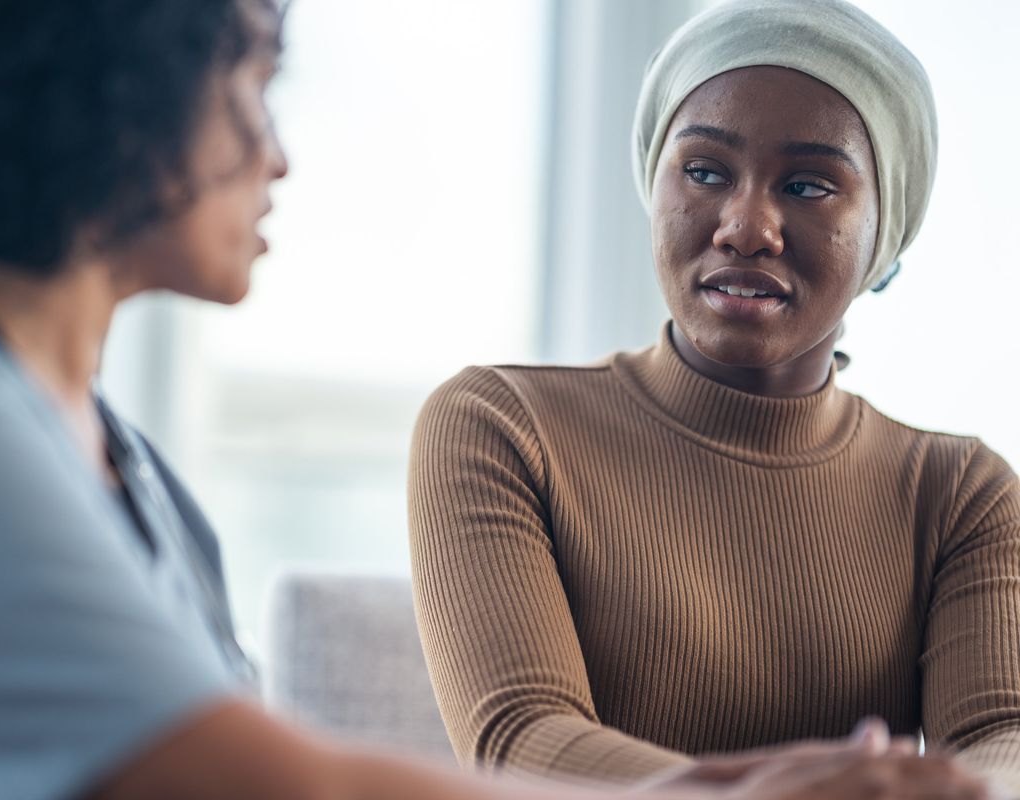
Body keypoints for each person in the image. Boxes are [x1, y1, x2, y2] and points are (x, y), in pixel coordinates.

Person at [0, 1, 978, 799]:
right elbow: (282, 787)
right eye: (249, 81)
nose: (274, 152)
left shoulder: (118, 463)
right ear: (105, 85)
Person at [408, 0, 1020, 795]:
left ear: (884, 234)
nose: (746, 226)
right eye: (703, 171)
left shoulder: (961, 494)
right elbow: (521, 738)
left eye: (808, 185)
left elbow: (1003, 743)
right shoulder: (502, 426)